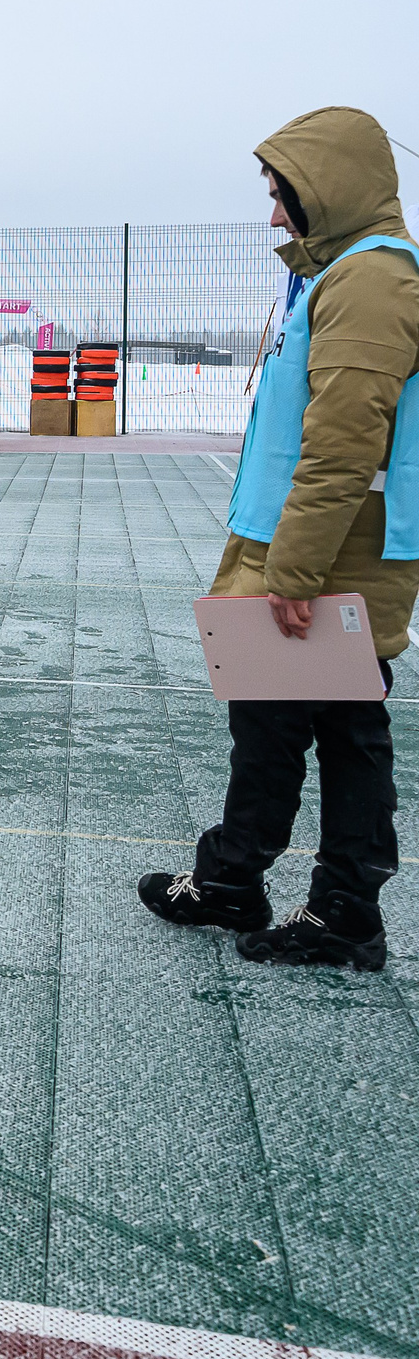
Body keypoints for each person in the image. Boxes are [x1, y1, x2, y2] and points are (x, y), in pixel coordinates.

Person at [139, 106, 419, 970]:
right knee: (278, 721)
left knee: (337, 727)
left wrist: (293, 570)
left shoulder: (372, 281)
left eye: (281, 196)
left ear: (326, 191)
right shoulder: (344, 274)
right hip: (302, 545)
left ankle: (339, 910)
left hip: (324, 555)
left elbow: (343, 443)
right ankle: (238, 878)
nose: (272, 216)